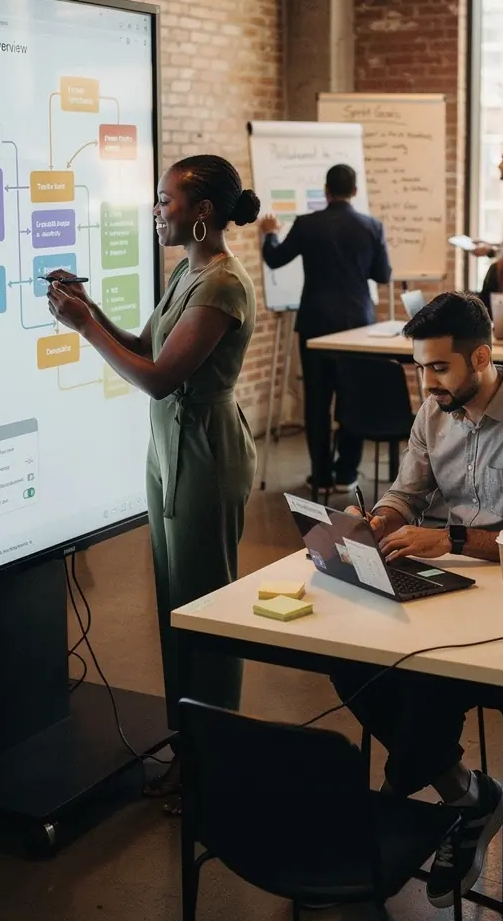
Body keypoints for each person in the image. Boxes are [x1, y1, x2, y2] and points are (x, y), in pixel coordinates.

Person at [333, 292, 503, 908]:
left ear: (481, 357)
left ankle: (389, 814)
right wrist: (376, 519)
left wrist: (449, 539)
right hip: (446, 588)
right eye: (419, 367)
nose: (427, 382)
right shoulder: (432, 413)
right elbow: (406, 495)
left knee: (429, 681)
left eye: (439, 368)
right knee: (345, 655)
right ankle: (468, 794)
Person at [47, 155, 260, 812]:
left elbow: (161, 376)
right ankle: (187, 748)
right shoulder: (186, 273)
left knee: (206, 612)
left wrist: (85, 330)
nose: (157, 211)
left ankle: (216, 759)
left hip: (206, 456)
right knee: (176, 608)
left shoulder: (223, 285)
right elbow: (145, 345)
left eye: (165, 201)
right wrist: (90, 311)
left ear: (201, 214)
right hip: (169, 453)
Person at [260, 164, 391, 494]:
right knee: (353, 399)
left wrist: (270, 233)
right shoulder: (371, 226)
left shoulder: (307, 224)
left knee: (317, 403)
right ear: (355, 191)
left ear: (326, 191)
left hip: (315, 325)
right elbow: (383, 275)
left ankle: (320, 476)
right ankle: (346, 474)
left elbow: (275, 259)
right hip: (357, 327)